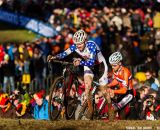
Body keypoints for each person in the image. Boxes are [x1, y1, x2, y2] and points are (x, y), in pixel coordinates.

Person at [47, 29, 108, 119]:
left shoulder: (91, 45)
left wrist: (80, 63)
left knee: (104, 92)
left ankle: (110, 109)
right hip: (88, 66)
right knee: (87, 87)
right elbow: (65, 53)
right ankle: (90, 109)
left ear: (85, 41)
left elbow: (91, 62)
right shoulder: (75, 46)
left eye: (80, 44)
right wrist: (54, 57)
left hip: (100, 66)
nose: (78, 46)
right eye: (76, 44)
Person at [106, 52, 135, 118]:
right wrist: (109, 85)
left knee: (115, 108)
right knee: (120, 112)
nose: (113, 67)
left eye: (114, 65)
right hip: (121, 92)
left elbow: (124, 90)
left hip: (128, 93)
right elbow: (117, 80)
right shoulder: (115, 70)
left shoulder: (125, 72)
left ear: (120, 63)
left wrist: (113, 91)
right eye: (111, 65)